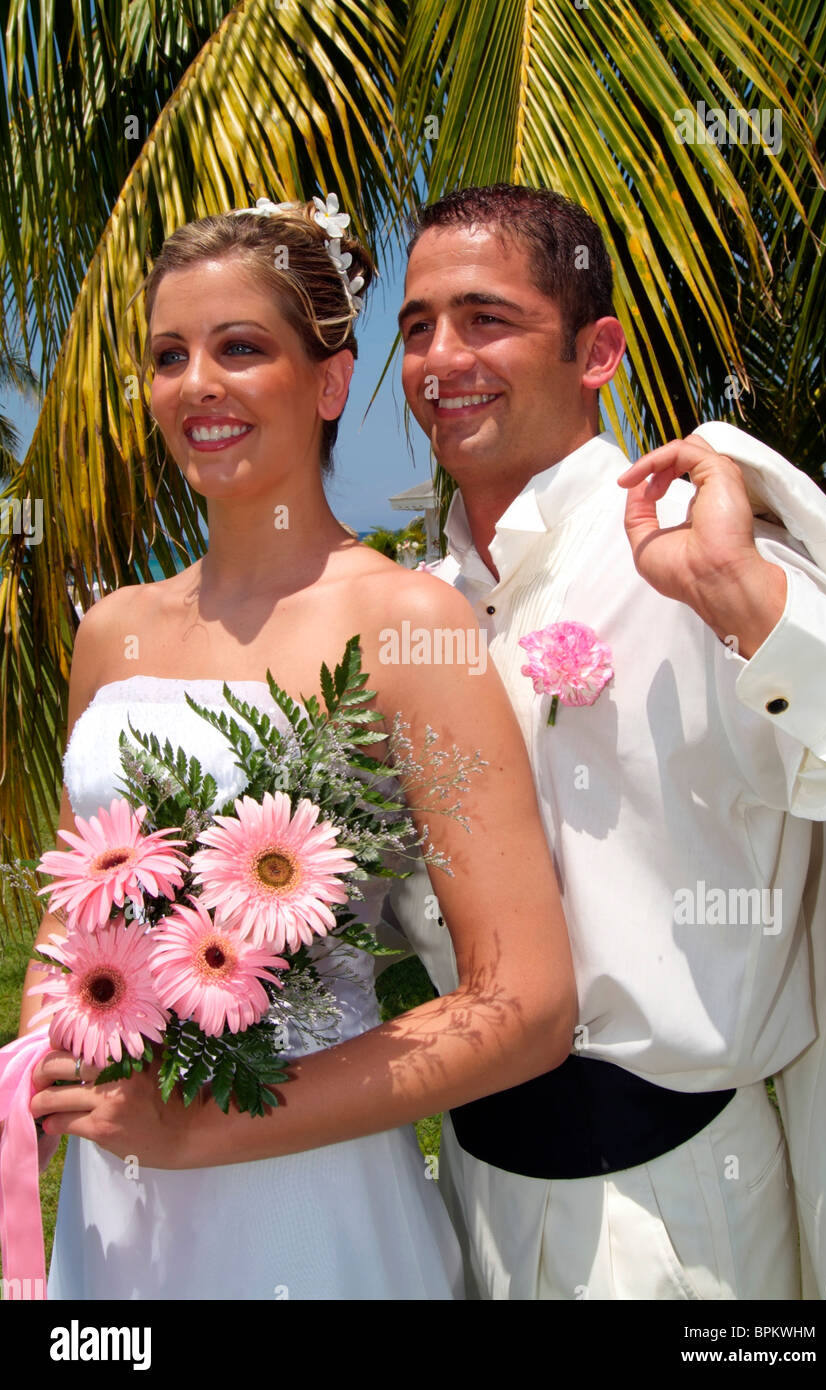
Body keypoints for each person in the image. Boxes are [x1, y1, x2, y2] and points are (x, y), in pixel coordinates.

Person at [21, 195, 577, 1300]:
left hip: (307, 1198)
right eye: (168, 355)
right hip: (116, 1199)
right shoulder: (113, 629)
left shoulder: (401, 620)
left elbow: (525, 1006)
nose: (197, 386)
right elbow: (70, 903)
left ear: (327, 383)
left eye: (240, 348)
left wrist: (204, 1125)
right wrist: (42, 1059)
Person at [385, 183, 826, 1300]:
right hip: (467, 1200)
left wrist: (746, 604)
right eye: (415, 328)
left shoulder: (702, 555)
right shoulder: (413, 606)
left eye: (483, 318)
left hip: (677, 1217)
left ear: (595, 351)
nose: (438, 358)